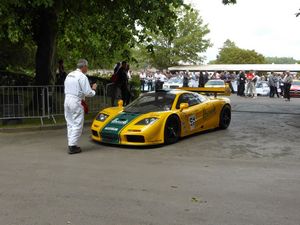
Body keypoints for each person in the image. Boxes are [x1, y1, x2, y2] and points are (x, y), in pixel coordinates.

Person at [64, 59, 97, 154]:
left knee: (70, 122)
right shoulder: (82, 77)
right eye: (87, 66)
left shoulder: (69, 75)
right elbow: (88, 92)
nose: (87, 68)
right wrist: (94, 90)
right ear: (84, 66)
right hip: (76, 100)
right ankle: (72, 145)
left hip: (67, 99)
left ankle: (71, 143)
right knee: (77, 122)